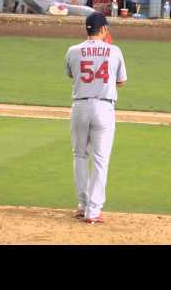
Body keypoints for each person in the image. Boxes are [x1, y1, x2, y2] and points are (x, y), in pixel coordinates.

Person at [65, 12, 127, 224]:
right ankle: (93, 211)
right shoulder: (114, 51)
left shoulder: (73, 50)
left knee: (80, 155)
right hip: (103, 108)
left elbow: (72, 74)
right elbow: (121, 81)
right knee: (100, 160)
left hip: (80, 107)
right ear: (103, 30)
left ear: (87, 29)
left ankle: (82, 205)